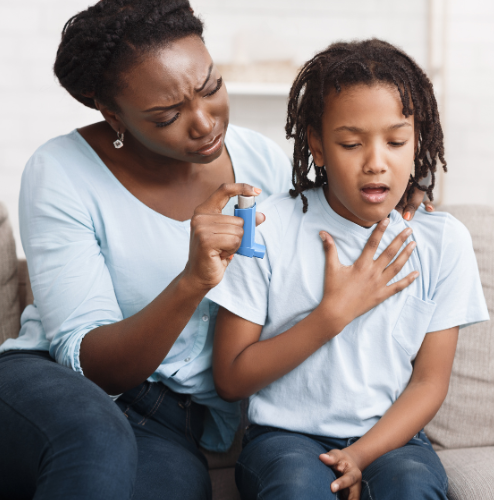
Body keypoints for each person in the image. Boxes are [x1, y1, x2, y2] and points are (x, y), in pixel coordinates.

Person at [0, 2, 430, 499]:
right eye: (167, 115)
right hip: (60, 388)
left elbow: (347, 193)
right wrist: (192, 281)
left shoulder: (260, 163)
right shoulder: (60, 172)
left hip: (172, 422)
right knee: (95, 440)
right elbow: (89, 365)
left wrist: (408, 189)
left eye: (211, 88)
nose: (204, 123)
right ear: (112, 113)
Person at [207, 39, 489, 500]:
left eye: (396, 141)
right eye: (351, 143)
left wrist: (361, 454)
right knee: (296, 488)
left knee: (412, 487)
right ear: (316, 143)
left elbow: (429, 382)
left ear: (418, 141)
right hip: (286, 438)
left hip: (394, 438)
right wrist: (333, 315)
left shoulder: (443, 241)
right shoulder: (267, 226)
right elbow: (231, 378)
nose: (376, 162)